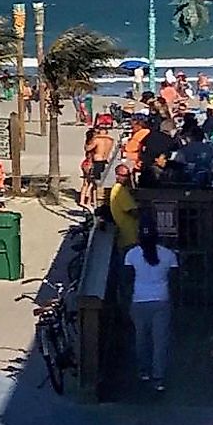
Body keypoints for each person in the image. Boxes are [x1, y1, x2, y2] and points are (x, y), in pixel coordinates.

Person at [126, 220, 180, 390]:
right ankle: (159, 377)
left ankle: (143, 371)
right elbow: (175, 281)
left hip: (139, 300)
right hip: (161, 300)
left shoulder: (132, 255)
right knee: (160, 341)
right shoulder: (169, 255)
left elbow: (127, 281)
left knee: (141, 338)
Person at [81, 125, 116, 211]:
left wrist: (89, 140)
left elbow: (87, 148)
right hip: (105, 161)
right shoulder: (111, 140)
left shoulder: (97, 140)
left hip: (97, 161)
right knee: (98, 183)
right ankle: (92, 201)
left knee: (91, 182)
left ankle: (86, 201)